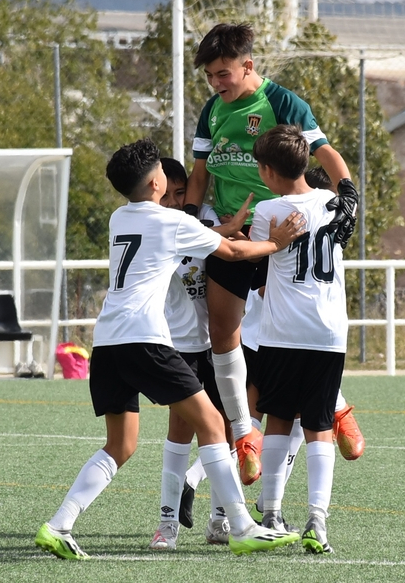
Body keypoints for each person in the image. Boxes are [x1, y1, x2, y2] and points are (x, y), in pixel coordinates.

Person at [34, 138, 304, 560]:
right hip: (145, 340)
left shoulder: (119, 218)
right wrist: (276, 243)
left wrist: (223, 230)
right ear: (158, 180)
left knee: (120, 446)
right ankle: (242, 527)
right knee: (214, 423)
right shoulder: (168, 221)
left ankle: (58, 525)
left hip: (107, 342)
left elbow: (178, 240)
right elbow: (232, 253)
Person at [182, 23, 354, 486]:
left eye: (224, 74)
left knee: (287, 336)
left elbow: (325, 153)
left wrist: (350, 196)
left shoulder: (282, 102)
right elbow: (199, 175)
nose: (218, 84)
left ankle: (336, 407)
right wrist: (195, 221)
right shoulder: (212, 112)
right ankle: (243, 432)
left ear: (248, 66)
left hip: (282, 234)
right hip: (230, 234)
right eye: (211, 77)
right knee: (223, 330)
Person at [249, 124, 351, 554]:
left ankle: (271, 514)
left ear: (269, 171)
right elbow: (346, 182)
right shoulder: (336, 203)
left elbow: (256, 277)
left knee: (277, 420)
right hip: (328, 333)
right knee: (320, 427)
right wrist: (318, 137)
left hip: (282, 333)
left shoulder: (267, 212)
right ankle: (317, 521)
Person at [150, 157, 245, 549]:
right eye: (166, 194)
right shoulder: (154, 227)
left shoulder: (203, 217)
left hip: (220, 346)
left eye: (180, 192)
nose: (173, 201)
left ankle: (219, 520)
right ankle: (166, 523)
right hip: (181, 346)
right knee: (181, 431)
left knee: (227, 430)